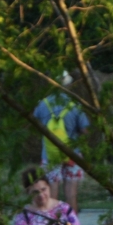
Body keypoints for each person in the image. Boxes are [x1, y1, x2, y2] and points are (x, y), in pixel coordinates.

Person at [34, 77, 90, 209]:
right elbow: (85, 131)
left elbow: (34, 124)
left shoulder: (42, 104)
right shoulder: (75, 104)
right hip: (72, 154)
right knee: (71, 194)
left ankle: (53, 220)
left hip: (49, 154)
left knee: (51, 193)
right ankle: (72, 220)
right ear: (69, 85)